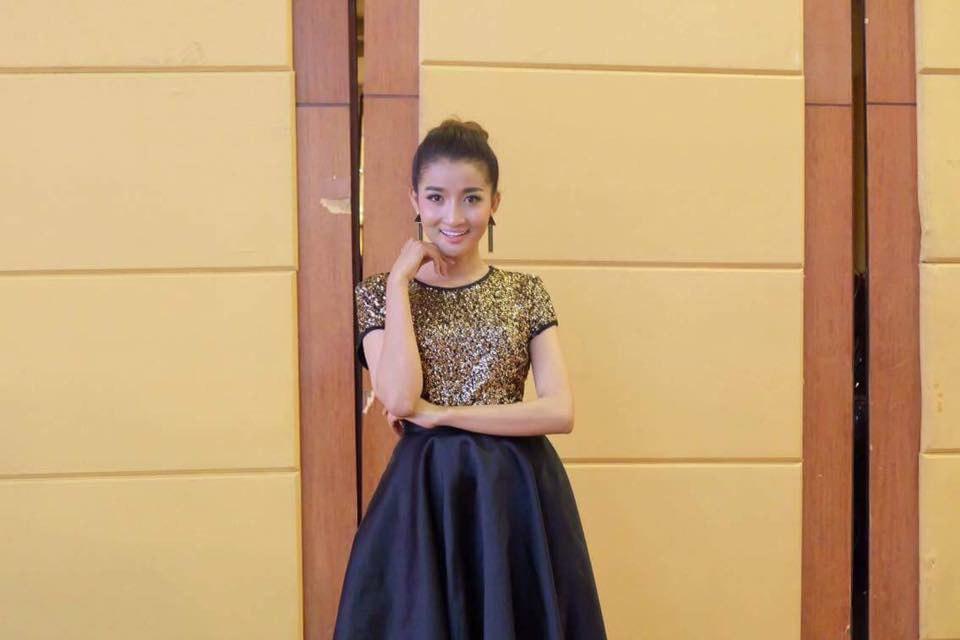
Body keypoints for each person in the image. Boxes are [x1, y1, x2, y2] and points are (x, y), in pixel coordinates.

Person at [332, 117, 607, 639]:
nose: (453, 216)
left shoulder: (525, 292)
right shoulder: (378, 294)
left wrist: (444, 415)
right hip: (425, 496)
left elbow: (559, 411)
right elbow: (399, 397)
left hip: (517, 493)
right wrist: (398, 283)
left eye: (472, 198)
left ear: (495, 203)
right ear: (414, 199)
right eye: (436, 198)